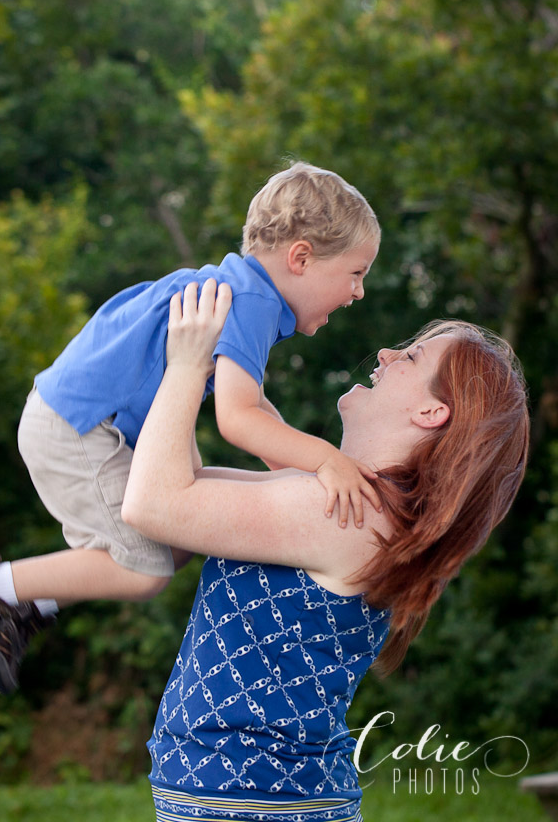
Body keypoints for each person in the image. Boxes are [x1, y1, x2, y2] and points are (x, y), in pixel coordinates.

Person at [0, 161, 381, 696]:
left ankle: (26, 600)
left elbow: (254, 402)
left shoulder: (241, 291)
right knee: (145, 573)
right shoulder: (253, 301)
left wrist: (300, 477)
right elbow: (239, 418)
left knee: (180, 538)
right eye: (356, 274)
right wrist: (328, 461)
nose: (358, 292)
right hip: (78, 425)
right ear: (301, 257)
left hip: (95, 423)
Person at [121, 279, 529, 822]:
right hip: (256, 798)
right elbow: (185, 481)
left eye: (410, 356)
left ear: (432, 413)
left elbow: (153, 503)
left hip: (254, 803)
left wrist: (186, 366)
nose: (385, 354)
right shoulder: (355, 504)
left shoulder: (348, 515)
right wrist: (215, 350)